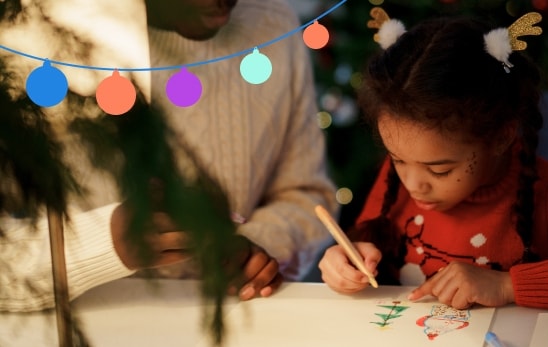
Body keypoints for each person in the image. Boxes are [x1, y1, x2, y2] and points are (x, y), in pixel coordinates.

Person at [318, 12, 548, 311]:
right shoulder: (397, 180)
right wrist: (346, 260)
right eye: (398, 160)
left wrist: (509, 285)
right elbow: (364, 244)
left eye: (440, 169)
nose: (414, 184)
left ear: (500, 136)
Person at [0, 0, 337, 312]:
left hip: (235, 321)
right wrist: (104, 242)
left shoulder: (273, 28)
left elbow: (305, 194)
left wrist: (256, 247)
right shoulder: (29, 38)